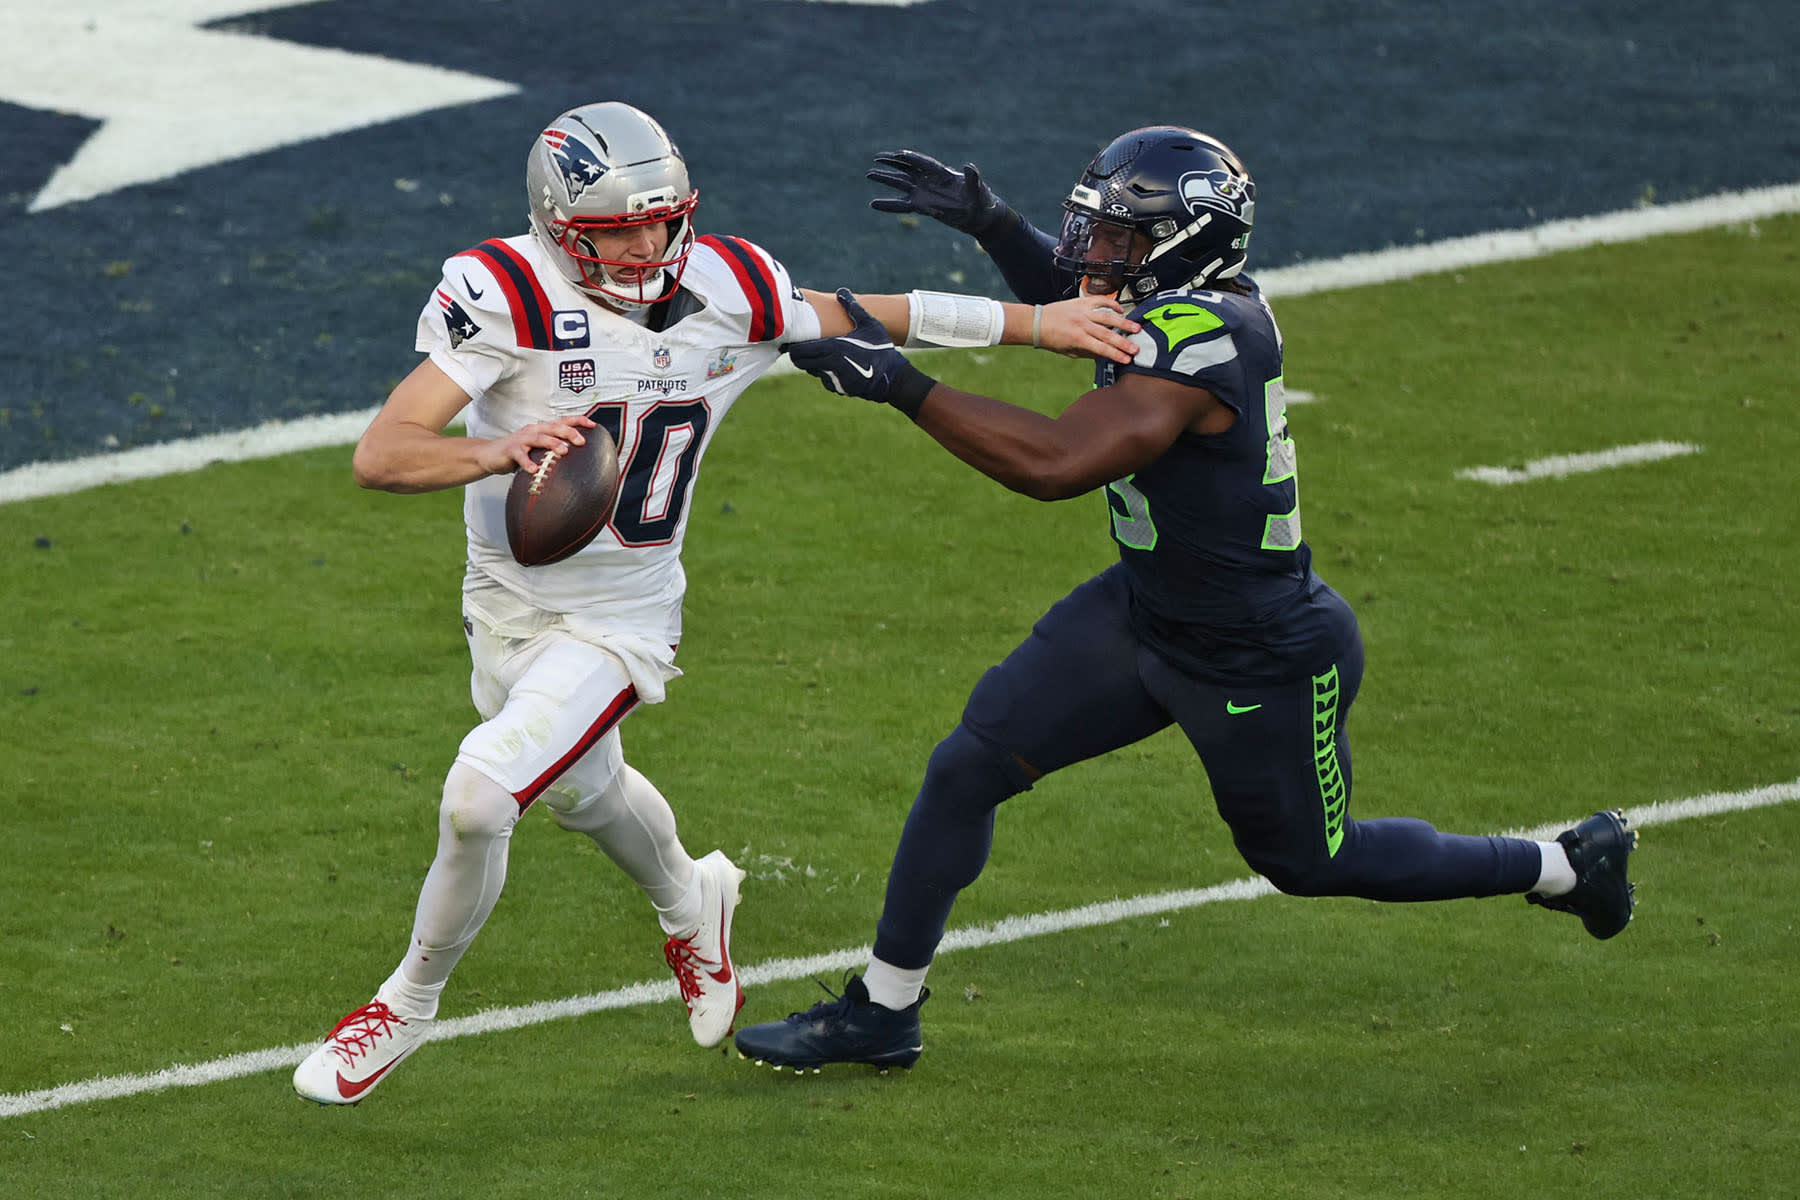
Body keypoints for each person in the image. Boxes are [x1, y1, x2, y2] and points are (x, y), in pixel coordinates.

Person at [732, 126, 1638, 1073]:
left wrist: (900, 383)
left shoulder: (1207, 336)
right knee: (968, 768)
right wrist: (995, 224)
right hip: (1147, 608)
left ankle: (1565, 865)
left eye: (1118, 238)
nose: (1091, 254)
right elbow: (1083, 309)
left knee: (1311, 862)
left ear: (1185, 244)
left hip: (1256, 648)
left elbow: (1058, 463)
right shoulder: (1178, 303)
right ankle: (884, 1011)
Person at [292, 101, 1137, 1104]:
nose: (646, 249)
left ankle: (404, 1006)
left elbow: (872, 313)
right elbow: (383, 453)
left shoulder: (731, 287)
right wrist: (497, 449)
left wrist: (1037, 324)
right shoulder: (505, 294)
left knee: (480, 799)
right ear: (558, 226)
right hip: (505, 603)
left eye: (661, 222)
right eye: (616, 232)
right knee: (582, 792)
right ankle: (694, 902)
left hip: (622, 621)